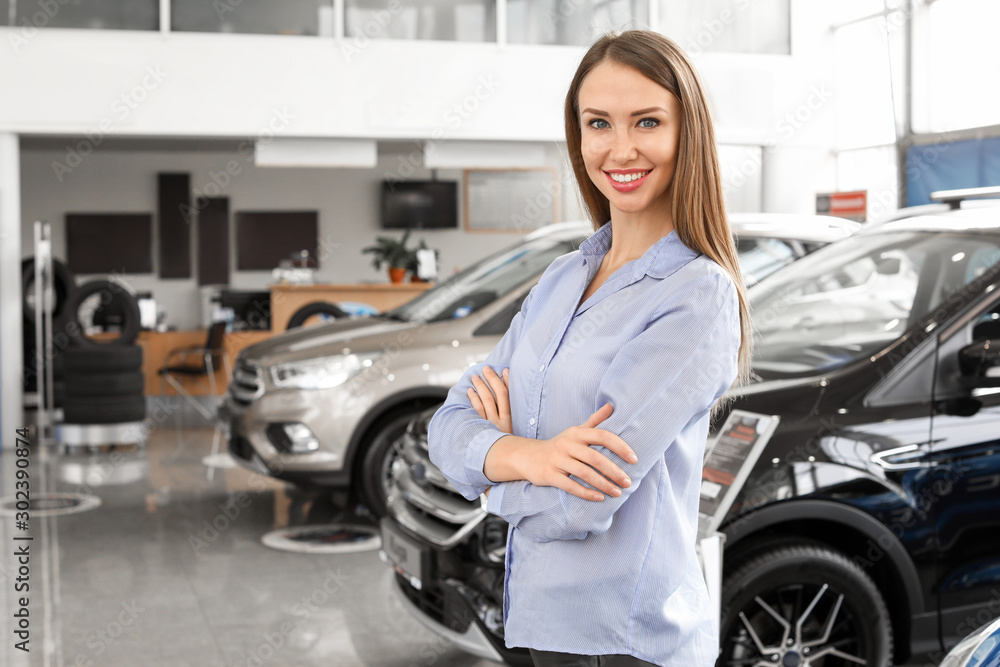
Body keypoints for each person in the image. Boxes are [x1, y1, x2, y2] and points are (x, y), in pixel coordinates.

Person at [427, 29, 752, 667]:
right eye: (598, 123)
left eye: (647, 122)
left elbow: (581, 498)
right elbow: (448, 423)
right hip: (541, 623)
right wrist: (531, 455)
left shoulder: (696, 294)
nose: (620, 148)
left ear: (687, 133)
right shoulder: (562, 278)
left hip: (624, 639)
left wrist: (492, 480)